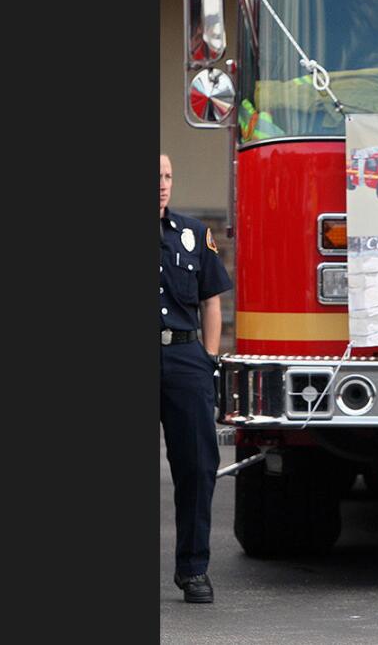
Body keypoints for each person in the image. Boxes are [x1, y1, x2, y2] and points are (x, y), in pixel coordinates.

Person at [159, 153, 233, 603]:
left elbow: (211, 301)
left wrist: (207, 359)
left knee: (198, 466)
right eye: (155, 176)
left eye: (167, 175)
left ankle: (193, 569)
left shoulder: (193, 234)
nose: (162, 184)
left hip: (185, 358)